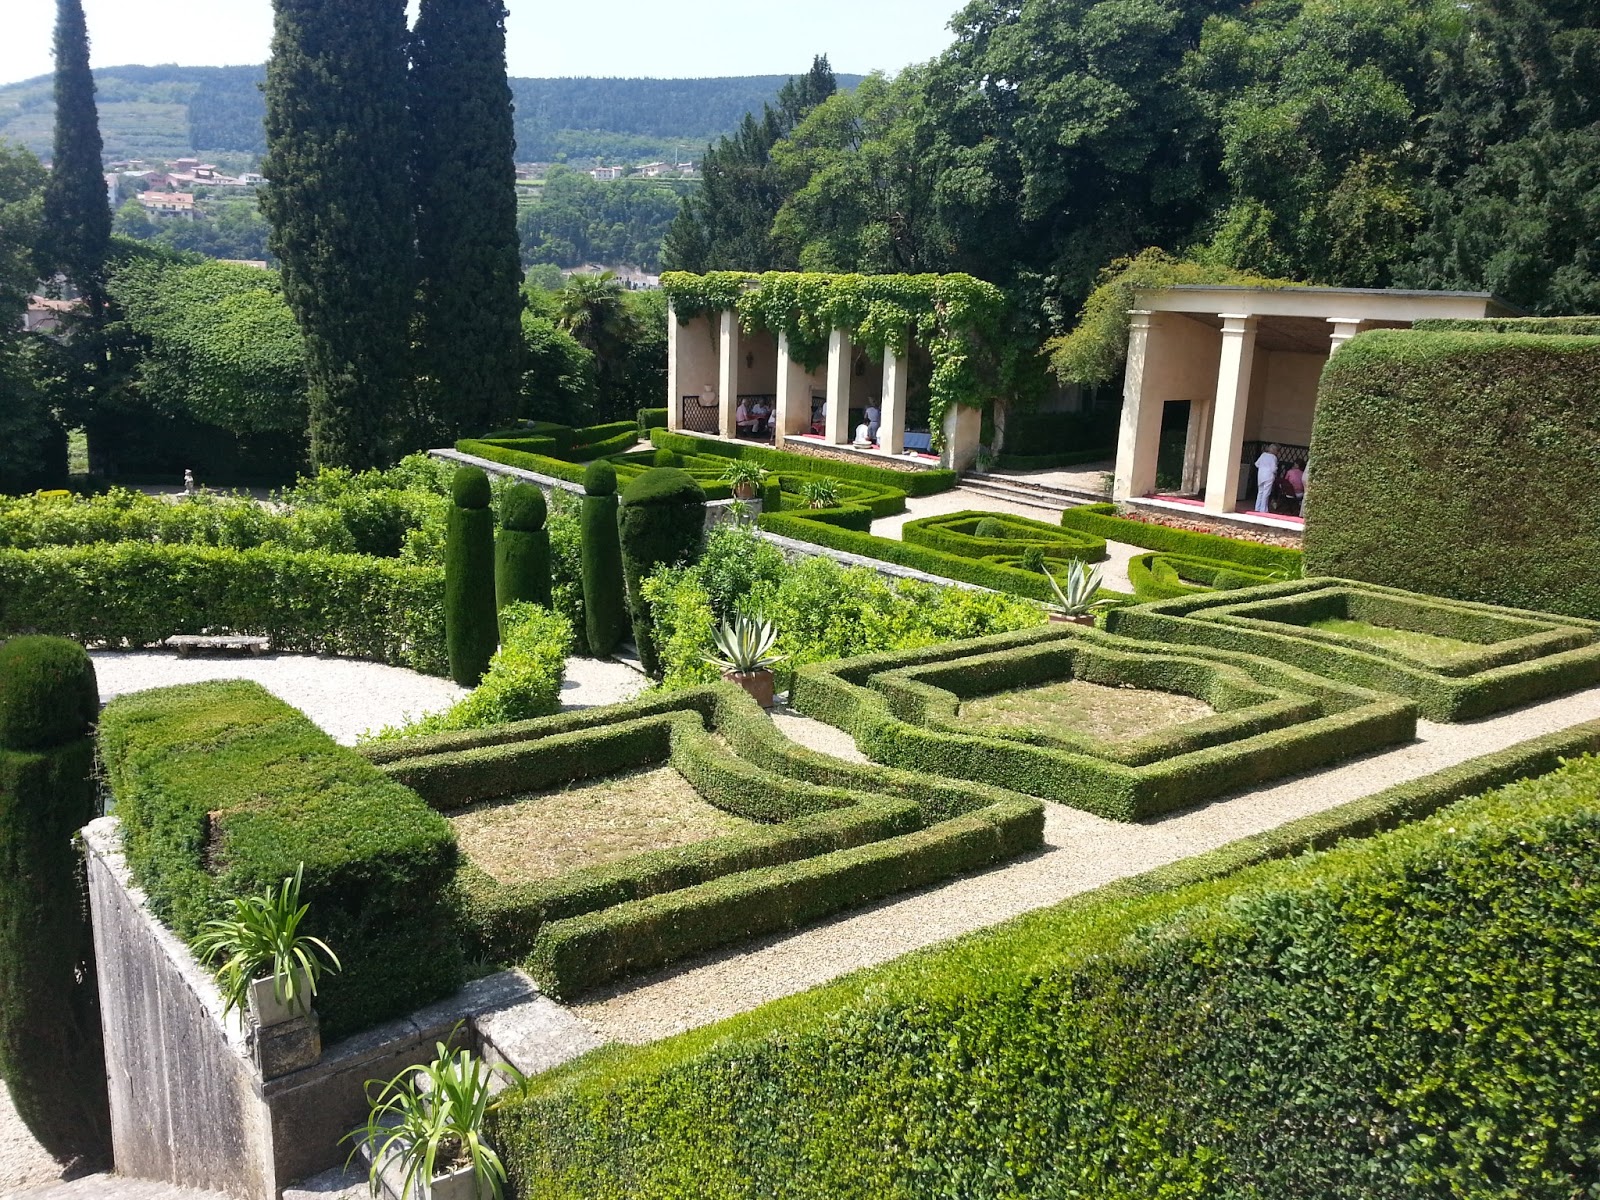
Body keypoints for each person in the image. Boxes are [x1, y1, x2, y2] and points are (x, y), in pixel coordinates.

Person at [1253, 443, 1279, 513]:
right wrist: (1276, 470)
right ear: (1274, 450)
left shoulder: (1263, 455)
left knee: (1260, 492)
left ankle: (1257, 507)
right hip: (1269, 476)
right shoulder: (1273, 457)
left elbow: (1256, 464)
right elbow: (1273, 468)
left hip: (1261, 475)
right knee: (1266, 493)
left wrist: (1262, 467)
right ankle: (1263, 509)